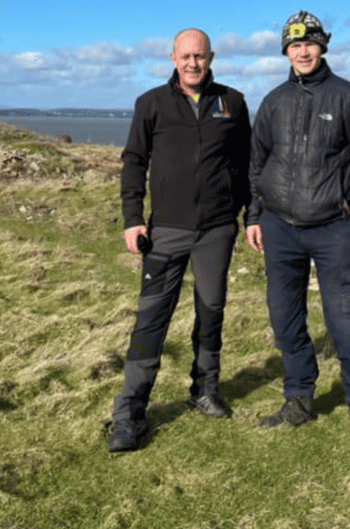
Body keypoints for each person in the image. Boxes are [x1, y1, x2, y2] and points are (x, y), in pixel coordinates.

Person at [245, 10, 350, 449]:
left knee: (347, 323)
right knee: (285, 320)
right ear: (285, 50)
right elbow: (255, 164)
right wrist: (253, 216)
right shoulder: (272, 101)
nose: (302, 51)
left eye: (309, 43)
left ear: (323, 46)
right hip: (279, 227)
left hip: (336, 228)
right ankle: (299, 400)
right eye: (294, 44)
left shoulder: (349, 97)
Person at [108, 28, 251, 453]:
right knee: (151, 320)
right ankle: (130, 413)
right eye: (186, 56)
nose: (193, 63)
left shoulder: (233, 102)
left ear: (212, 58)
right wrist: (134, 218)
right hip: (165, 230)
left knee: (211, 313)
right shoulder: (151, 103)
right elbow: (133, 162)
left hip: (217, 230)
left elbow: (246, 164)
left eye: (201, 56)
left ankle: (204, 390)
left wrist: (245, 212)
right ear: (173, 57)